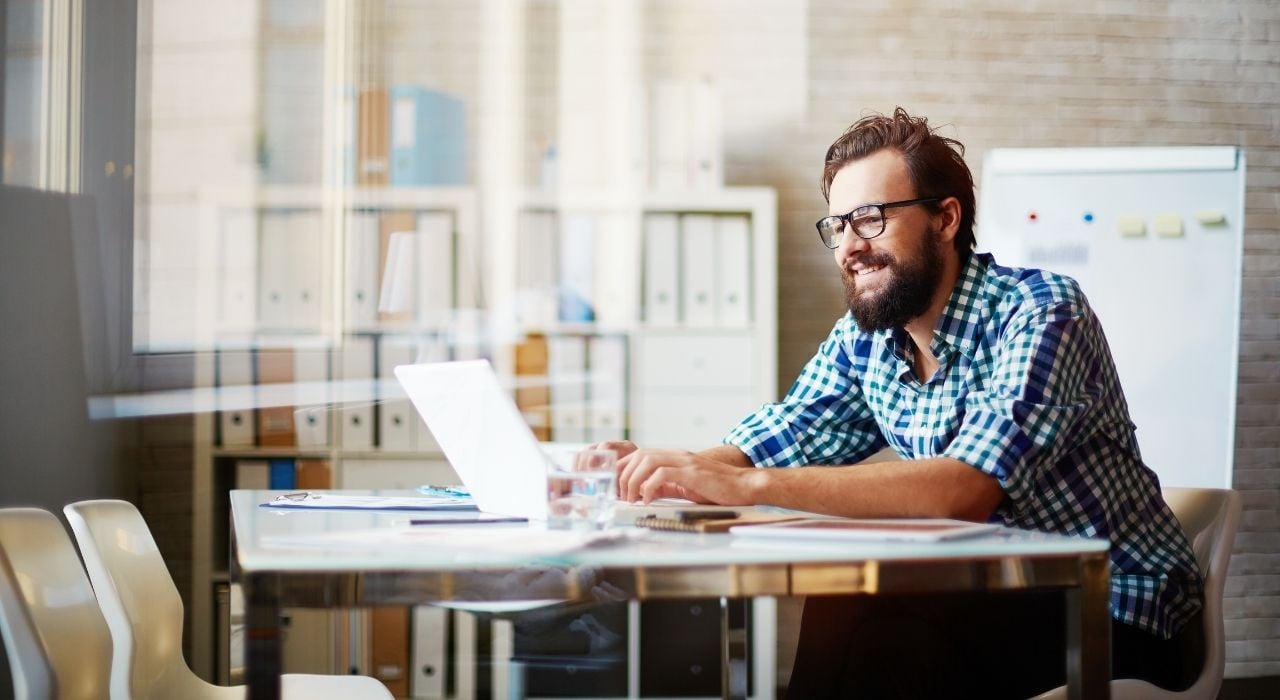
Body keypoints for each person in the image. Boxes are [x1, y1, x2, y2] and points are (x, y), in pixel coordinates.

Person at [595, 107, 1204, 697]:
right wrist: (671, 472)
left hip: (1118, 610)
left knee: (880, 624)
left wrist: (747, 488)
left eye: (870, 218)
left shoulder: (1041, 312)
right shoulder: (868, 340)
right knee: (864, 617)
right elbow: (777, 435)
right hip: (993, 596)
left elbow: (964, 490)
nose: (848, 247)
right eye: (837, 226)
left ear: (945, 217)